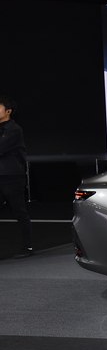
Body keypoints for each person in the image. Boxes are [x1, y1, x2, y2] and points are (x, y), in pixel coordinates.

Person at [0, 96, 33, 258]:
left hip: (12, 176)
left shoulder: (13, 129)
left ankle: (27, 246)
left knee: (19, 211)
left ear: (8, 111)